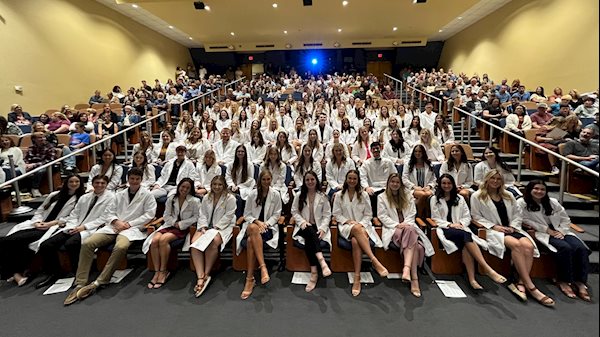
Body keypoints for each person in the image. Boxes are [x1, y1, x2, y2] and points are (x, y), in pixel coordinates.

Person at [64, 168, 156, 306]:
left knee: (121, 246)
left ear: (141, 180)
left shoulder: (147, 195)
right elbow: (108, 212)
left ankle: (101, 280)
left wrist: (129, 224)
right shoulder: (119, 194)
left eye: (137, 179)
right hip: (113, 226)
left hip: (132, 229)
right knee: (88, 243)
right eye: (132, 179)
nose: (134, 181)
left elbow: (149, 214)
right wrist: (116, 221)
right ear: (128, 179)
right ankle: (80, 282)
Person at [470, 170, 553, 307]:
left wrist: (513, 227)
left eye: (498, 179)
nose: (495, 181)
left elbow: (517, 214)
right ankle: (531, 286)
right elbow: (476, 217)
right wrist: (494, 226)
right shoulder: (477, 196)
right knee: (516, 245)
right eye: (493, 178)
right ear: (487, 179)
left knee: (529, 247)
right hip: (494, 231)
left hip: (512, 228)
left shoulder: (508, 195)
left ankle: (520, 281)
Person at [0, 174, 84, 286]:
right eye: (71, 182)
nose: (74, 184)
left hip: (54, 227)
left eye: (76, 182)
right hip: (38, 225)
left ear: (80, 183)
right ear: (66, 183)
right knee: (8, 240)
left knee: (15, 241)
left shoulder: (81, 198)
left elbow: (74, 217)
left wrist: (53, 223)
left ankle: (15, 273)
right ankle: (16, 272)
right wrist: (36, 222)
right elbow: (40, 210)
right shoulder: (54, 195)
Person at [430, 174, 507, 290]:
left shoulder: (460, 199)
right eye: (444, 183)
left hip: (461, 229)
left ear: (453, 185)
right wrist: (450, 224)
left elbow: (467, 217)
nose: (446, 186)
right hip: (444, 229)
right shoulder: (434, 199)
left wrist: (461, 224)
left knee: (466, 243)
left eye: (449, 183)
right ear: (440, 185)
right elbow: (435, 218)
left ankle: (472, 279)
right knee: (466, 236)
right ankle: (487, 268)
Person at [33, 175, 111, 289]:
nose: (99, 185)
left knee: (71, 243)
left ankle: (77, 272)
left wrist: (83, 227)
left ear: (106, 184)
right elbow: (75, 214)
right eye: (97, 183)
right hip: (74, 226)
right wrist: (74, 226)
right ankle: (55, 272)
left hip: (91, 228)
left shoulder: (111, 198)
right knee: (46, 245)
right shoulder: (84, 197)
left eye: (102, 183)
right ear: (92, 184)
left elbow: (104, 218)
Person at [519, 180, 591, 301]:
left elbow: (565, 219)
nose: (539, 191)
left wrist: (562, 232)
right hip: (542, 232)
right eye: (536, 188)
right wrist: (547, 230)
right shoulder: (522, 203)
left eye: (542, 189)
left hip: (560, 231)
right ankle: (564, 280)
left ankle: (580, 282)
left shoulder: (553, 202)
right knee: (564, 248)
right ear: (530, 190)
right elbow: (525, 220)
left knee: (580, 248)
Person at [332, 170, 388, 297]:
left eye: (354, 179)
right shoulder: (339, 195)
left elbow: (368, 214)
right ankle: (374, 261)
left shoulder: (364, 195)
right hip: (346, 227)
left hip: (362, 226)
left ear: (358, 181)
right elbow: (336, 214)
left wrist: (360, 224)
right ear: (346, 179)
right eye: (350, 178)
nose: (352, 181)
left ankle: (357, 278)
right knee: (355, 230)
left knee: (355, 241)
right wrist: (348, 221)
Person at [377, 173, 433, 297]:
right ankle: (413, 278)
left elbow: (412, 213)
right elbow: (382, 216)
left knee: (414, 240)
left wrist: (406, 224)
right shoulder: (382, 197)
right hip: (393, 229)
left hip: (408, 227)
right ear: (388, 183)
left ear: (401, 184)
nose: (395, 184)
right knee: (415, 243)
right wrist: (398, 225)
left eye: (397, 182)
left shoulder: (408, 196)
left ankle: (408, 272)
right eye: (393, 182)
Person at [144, 178, 199, 289]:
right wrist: (174, 223)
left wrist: (181, 224)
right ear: (178, 187)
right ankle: (157, 271)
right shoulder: (171, 199)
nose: (184, 189)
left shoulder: (194, 201)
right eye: (183, 186)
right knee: (154, 240)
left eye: (187, 188)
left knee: (163, 239)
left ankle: (164, 270)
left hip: (183, 228)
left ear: (191, 189)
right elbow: (166, 215)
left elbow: (197, 217)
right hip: (170, 225)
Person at [236, 170, 282, 300]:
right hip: (253, 226)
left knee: (251, 240)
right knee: (252, 227)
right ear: (259, 181)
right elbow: (247, 214)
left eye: (268, 180)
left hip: (267, 229)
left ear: (271, 180)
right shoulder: (252, 194)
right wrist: (257, 222)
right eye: (264, 180)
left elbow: (277, 214)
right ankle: (263, 268)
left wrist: (265, 224)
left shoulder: (276, 194)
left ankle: (249, 279)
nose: (266, 182)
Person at [189, 176, 237, 297]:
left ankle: (206, 273)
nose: (217, 187)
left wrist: (216, 227)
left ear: (224, 186)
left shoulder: (230, 198)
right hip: (207, 226)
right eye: (214, 184)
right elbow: (203, 214)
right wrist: (204, 227)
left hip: (223, 227)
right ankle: (200, 276)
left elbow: (229, 215)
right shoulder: (206, 197)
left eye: (220, 184)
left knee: (213, 241)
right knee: (195, 243)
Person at [291, 171, 332, 292]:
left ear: (316, 180)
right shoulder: (299, 195)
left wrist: (323, 228)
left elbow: (327, 215)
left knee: (310, 240)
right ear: (304, 182)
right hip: (303, 226)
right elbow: (294, 211)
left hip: (318, 227)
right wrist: (302, 222)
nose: (310, 182)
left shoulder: (323, 196)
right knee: (308, 230)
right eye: (307, 180)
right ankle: (322, 262)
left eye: (312, 179)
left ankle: (314, 272)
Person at [359, 142, 396, 216]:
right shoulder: (366, 163)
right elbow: (362, 177)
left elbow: (394, 175)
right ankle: (375, 217)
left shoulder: (388, 162)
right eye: (373, 149)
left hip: (386, 187)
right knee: (371, 196)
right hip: (372, 188)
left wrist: (392, 186)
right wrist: (366, 187)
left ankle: (389, 216)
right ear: (371, 150)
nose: (376, 150)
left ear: (381, 149)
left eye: (377, 148)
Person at [402, 144, 436, 217]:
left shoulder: (429, 164)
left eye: (420, 151)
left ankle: (422, 216)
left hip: (426, 188)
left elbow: (434, 179)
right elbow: (404, 179)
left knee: (427, 194)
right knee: (423, 195)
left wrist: (429, 186)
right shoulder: (408, 164)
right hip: (412, 188)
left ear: (423, 153)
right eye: (416, 151)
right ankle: (421, 216)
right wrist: (414, 187)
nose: (417, 153)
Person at [24, 132, 56, 197]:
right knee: (20, 171)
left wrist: (35, 165)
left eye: (43, 137)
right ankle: (23, 190)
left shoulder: (50, 147)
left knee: (40, 171)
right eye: (39, 138)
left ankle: (35, 188)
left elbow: (50, 160)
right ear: (34, 139)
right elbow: (26, 158)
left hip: (46, 166)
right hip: (32, 165)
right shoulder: (31, 147)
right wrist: (26, 164)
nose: (42, 139)